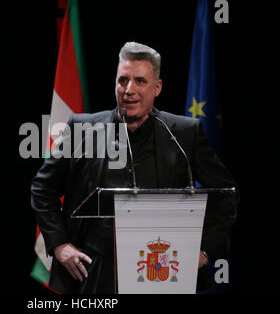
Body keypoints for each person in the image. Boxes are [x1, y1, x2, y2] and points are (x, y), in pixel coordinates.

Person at [31, 42, 239, 293]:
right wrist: (60, 244)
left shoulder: (184, 133)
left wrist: (204, 250)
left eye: (140, 81)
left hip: (162, 268)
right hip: (94, 272)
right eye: (122, 81)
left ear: (157, 87)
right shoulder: (81, 129)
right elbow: (43, 188)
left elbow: (227, 193)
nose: (129, 90)